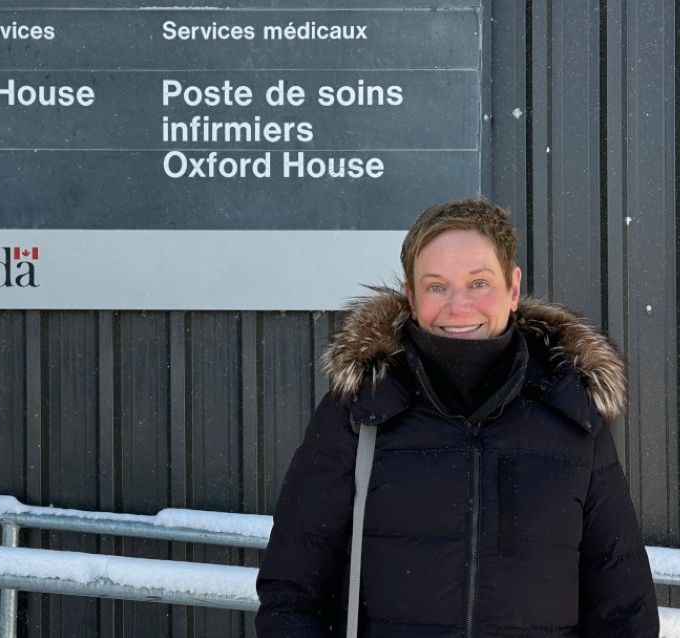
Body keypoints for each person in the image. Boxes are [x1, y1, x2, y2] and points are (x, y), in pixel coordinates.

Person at [255, 198, 659, 637]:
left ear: (513, 287)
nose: (459, 307)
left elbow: (623, 607)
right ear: (410, 295)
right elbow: (292, 593)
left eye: (479, 283)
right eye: (436, 286)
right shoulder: (360, 409)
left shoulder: (571, 413)